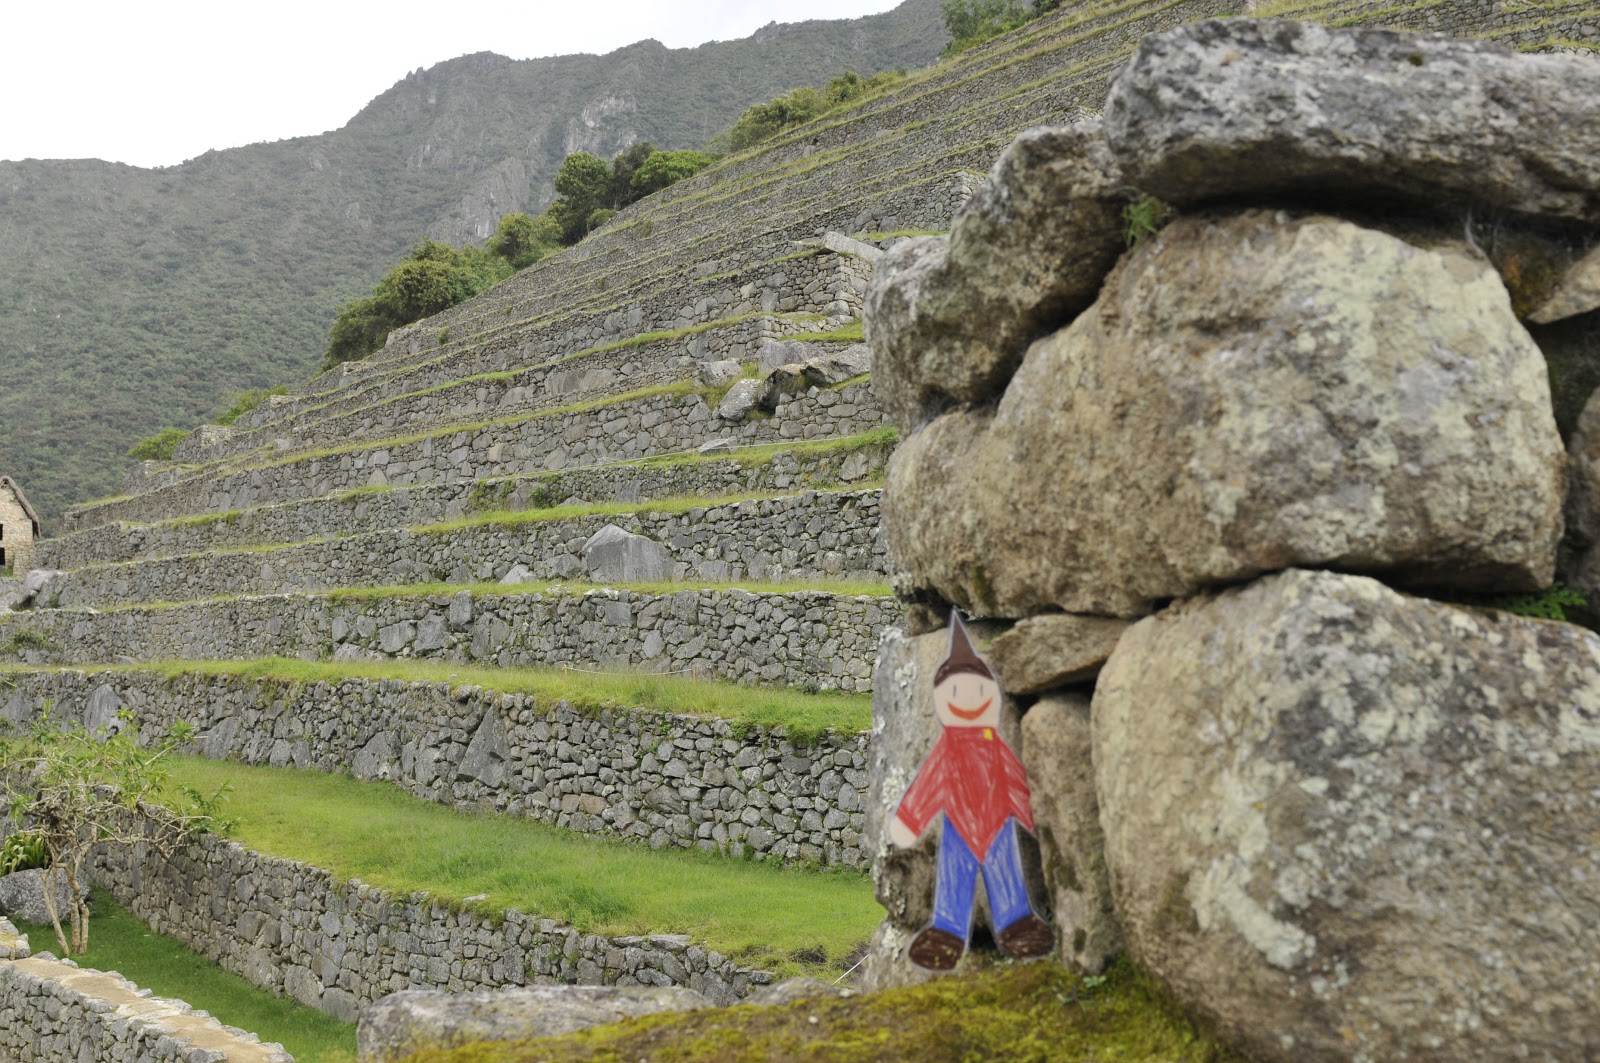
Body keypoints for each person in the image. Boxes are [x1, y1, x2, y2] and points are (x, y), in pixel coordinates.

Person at [889, 612, 1054, 970]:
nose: (968, 701)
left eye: (978, 691)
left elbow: (1015, 783)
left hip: (997, 824)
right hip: (958, 827)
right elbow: (929, 784)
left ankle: (1016, 923)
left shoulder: (996, 746)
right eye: (956, 693)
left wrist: (1033, 818)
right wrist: (911, 818)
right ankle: (947, 932)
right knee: (954, 879)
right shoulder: (947, 749)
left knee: (1006, 873)